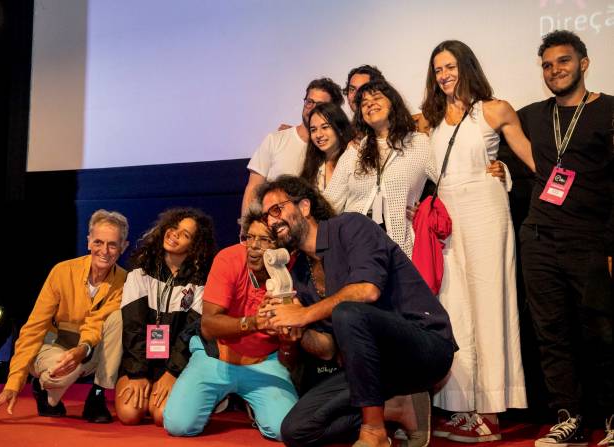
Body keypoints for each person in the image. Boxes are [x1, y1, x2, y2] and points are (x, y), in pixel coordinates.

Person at [257, 175, 457, 447]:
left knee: (348, 311)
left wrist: (304, 313)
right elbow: (327, 348)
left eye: (276, 210)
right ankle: (395, 407)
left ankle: (374, 431)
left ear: (304, 207)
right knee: (296, 430)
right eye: (266, 216)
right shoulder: (299, 274)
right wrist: (294, 329)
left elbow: (366, 291)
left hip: (425, 349)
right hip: (373, 370)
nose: (271, 221)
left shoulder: (351, 226)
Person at [418, 40, 534, 443]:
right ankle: (464, 407)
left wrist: (507, 172)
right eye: (437, 70)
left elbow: (534, 160)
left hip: (486, 209)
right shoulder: (428, 120)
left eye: (449, 66)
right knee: (455, 309)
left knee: (489, 305)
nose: (444, 75)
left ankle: (491, 411)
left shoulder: (495, 108)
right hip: (448, 216)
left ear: (466, 66)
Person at [517, 30, 613, 447]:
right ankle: (567, 418)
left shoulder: (609, 111)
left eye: (563, 61)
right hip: (538, 238)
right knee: (550, 332)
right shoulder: (534, 115)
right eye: (547, 65)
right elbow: (484, 118)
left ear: (584, 63)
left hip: (589, 239)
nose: (554, 70)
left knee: (602, 332)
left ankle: (611, 418)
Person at [0, 210, 130, 423]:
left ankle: (97, 396)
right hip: (55, 347)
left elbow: (97, 321)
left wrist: (83, 348)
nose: (104, 251)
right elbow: (34, 328)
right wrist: (13, 383)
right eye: (98, 242)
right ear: (88, 242)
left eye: (112, 244)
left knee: (118, 318)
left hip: (90, 350)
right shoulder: (62, 271)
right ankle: (42, 388)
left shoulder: (125, 281)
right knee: (60, 372)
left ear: (123, 246)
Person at [163, 207, 299, 440]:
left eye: (264, 240)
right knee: (178, 425)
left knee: (285, 430)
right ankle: (221, 396)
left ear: (284, 250)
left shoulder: (293, 272)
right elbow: (208, 325)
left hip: (264, 362)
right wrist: (255, 323)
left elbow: (290, 355)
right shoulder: (229, 258)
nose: (254, 247)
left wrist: (288, 341)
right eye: (250, 237)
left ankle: (253, 402)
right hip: (217, 358)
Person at [116, 208, 216, 426]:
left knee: (162, 416)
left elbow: (191, 333)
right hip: (141, 358)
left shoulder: (200, 279)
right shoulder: (141, 268)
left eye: (186, 234)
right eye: (174, 227)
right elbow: (133, 325)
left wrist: (172, 373)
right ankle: (147, 385)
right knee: (129, 414)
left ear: (195, 246)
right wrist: (138, 373)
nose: (175, 234)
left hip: (175, 363)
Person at [325, 79, 430, 259]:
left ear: (393, 102)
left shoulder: (420, 143)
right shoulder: (354, 151)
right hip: (355, 247)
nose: (370, 104)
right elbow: (329, 203)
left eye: (376, 98)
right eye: (364, 104)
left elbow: (447, 180)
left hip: (400, 247)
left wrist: (427, 209)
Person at [241, 78, 344, 216]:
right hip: (270, 225)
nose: (312, 108)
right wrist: (247, 228)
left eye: (320, 105)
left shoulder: (335, 149)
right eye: (309, 102)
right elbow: (253, 187)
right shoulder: (276, 139)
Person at [300, 102, 355, 192]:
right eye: (313, 130)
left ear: (340, 129)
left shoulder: (353, 158)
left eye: (325, 127)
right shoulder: (312, 166)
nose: (318, 135)